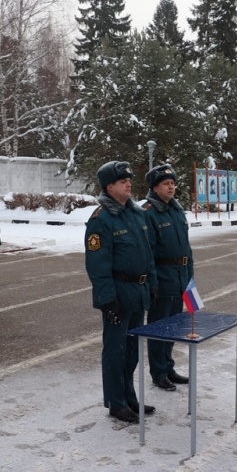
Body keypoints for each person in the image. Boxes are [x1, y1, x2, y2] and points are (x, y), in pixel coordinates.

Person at [84, 160, 157, 424]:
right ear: (109, 186)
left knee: (133, 350)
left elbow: (148, 254)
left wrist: (153, 285)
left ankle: (129, 397)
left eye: (129, 180)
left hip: (138, 291)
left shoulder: (136, 213)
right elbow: (97, 265)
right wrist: (108, 300)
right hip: (118, 294)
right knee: (115, 351)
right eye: (122, 181)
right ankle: (116, 403)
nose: (129, 183)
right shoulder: (101, 219)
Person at [142, 164, 193, 391]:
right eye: (166, 184)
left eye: (173, 183)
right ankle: (158, 372)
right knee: (159, 328)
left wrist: (190, 279)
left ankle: (169, 367)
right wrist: (152, 283)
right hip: (163, 278)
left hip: (181, 277)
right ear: (155, 187)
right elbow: (147, 254)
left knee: (174, 326)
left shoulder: (176, 210)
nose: (171, 187)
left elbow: (186, 248)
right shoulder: (149, 213)